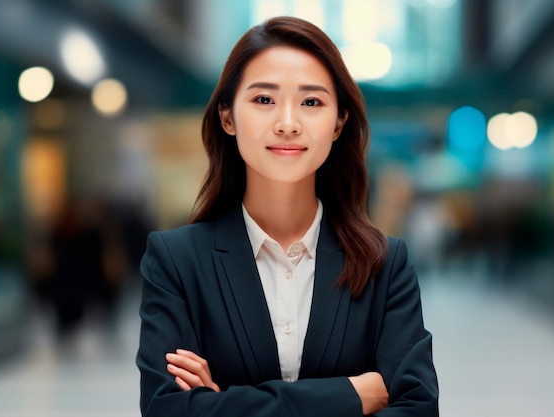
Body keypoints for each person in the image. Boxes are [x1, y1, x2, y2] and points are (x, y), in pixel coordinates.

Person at [136, 16, 439, 416]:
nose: (288, 124)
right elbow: (167, 410)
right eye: (264, 100)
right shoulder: (177, 262)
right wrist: (354, 394)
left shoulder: (385, 265)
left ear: (339, 122)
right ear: (227, 116)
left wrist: (221, 403)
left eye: (311, 102)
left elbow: (418, 409)